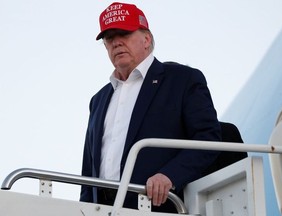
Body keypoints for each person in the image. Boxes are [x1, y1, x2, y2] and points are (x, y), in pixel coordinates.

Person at [80, 2, 221, 213]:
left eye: (124, 34)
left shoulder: (182, 80)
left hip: (157, 206)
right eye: (109, 38)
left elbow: (208, 137)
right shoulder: (98, 99)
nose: (116, 43)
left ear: (146, 39)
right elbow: (88, 170)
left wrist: (170, 175)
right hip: (103, 209)